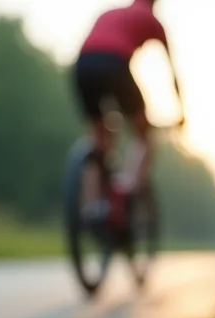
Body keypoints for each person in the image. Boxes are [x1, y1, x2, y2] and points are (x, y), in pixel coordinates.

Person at [72, 0, 183, 224]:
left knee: (99, 138)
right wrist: (181, 112)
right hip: (115, 64)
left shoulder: (110, 12)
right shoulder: (152, 22)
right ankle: (125, 189)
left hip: (82, 66)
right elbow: (171, 72)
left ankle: (91, 205)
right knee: (144, 137)